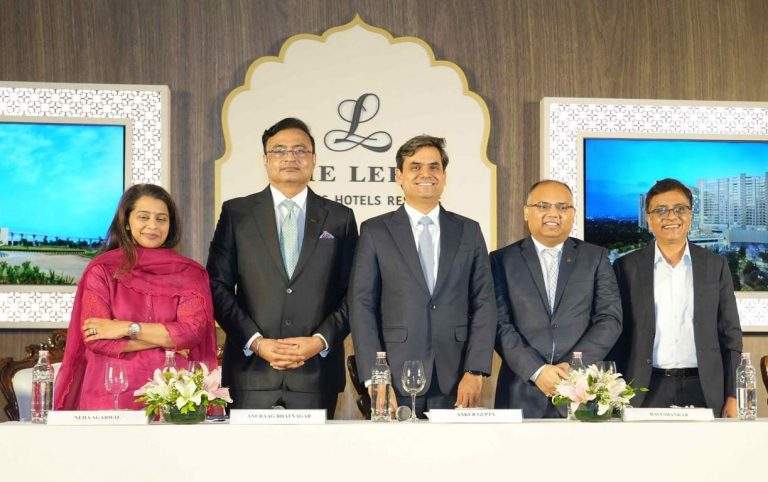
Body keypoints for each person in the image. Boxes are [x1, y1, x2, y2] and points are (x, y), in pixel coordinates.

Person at [207, 117, 357, 416]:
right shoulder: (237, 213)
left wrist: (319, 341)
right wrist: (256, 342)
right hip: (251, 374)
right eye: (279, 150)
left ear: (314, 159)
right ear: (265, 160)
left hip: (315, 375)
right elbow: (216, 286)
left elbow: (354, 293)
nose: (290, 157)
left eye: (300, 150)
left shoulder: (340, 218)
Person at [349, 134, 496, 418]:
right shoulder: (375, 231)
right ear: (399, 176)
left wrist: (475, 369)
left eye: (434, 167)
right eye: (415, 167)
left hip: (457, 377)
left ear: (444, 176)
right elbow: (362, 306)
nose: (425, 174)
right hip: (395, 375)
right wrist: (376, 377)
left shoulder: (469, 231)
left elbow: (484, 303)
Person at [54, 184, 218, 410]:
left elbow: (191, 332)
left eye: (161, 219)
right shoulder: (101, 271)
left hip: (173, 395)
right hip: (111, 392)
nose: (153, 226)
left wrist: (124, 327)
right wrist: (167, 341)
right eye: (143, 217)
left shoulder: (190, 273)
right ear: (127, 222)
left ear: (170, 225)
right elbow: (96, 338)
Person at [611, 178, 742, 417]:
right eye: (661, 210)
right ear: (649, 219)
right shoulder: (626, 267)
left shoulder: (715, 265)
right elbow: (615, 334)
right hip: (643, 389)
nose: (671, 216)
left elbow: (730, 334)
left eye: (680, 209)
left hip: (704, 388)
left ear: (690, 215)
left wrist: (732, 395)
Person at [491, 180, 622, 417]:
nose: (553, 214)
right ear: (526, 212)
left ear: (573, 213)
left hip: (582, 391)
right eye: (543, 206)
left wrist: (573, 367)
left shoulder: (595, 258)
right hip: (521, 391)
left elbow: (609, 319)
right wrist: (537, 371)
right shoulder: (501, 260)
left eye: (562, 207)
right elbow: (499, 323)